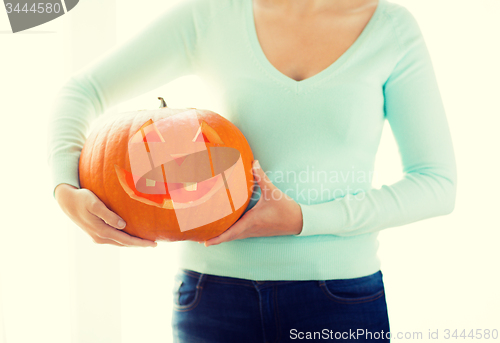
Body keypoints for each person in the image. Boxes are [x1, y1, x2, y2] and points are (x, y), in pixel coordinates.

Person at [48, 0, 457, 341]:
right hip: (211, 298)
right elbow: (83, 90)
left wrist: (303, 220)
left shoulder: (391, 30)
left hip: (341, 301)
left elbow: (436, 183)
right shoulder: (211, 15)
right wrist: (65, 188)